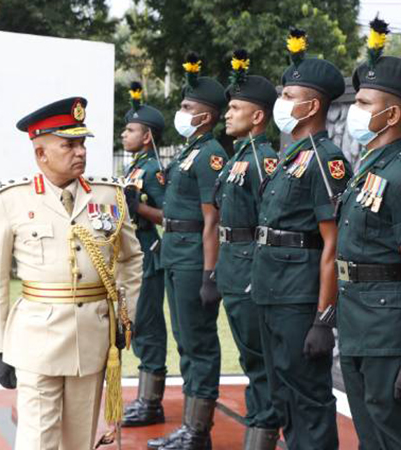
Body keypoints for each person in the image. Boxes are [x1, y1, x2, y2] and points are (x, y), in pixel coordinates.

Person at [0, 97, 143, 450]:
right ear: (41, 154)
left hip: (93, 336)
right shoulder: (11, 198)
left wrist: (125, 318)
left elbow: (131, 259)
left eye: (82, 143)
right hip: (36, 339)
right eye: (68, 145)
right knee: (37, 439)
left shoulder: (109, 194)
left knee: (79, 440)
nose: (80, 152)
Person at [336, 18, 401, 450]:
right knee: (371, 438)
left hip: (387, 333)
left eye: (364, 102)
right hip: (357, 324)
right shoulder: (366, 171)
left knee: (399, 440)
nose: (354, 110)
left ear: (392, 114)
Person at [251, 29, 352, 450]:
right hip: (272, 290)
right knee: (283, 393)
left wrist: (323, 318)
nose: (281, 103)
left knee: (308, 395)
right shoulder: (291, 155)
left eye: (289, 95)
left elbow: (333, 243)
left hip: (298, 296)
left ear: (311, 106)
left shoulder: (327, 160)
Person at [147, 53, 228, 450]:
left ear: (205, 116)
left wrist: (210, 275)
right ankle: (190, 427)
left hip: (195, 257)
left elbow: (212, 219)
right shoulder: (188, 151)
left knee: (199, 342)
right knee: (184, 340)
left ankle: (198, 431)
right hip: (175, 253)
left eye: (185, 107)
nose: (179, 113)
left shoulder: (211, 154)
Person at [212, 49, 280, 450]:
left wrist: (257, 275)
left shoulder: (263, 160)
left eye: (235, 108)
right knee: (249, 357)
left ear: (257, 116)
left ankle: (262, 435)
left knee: (259, 361)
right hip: (232, 268)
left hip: (249, 271)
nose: (227, 114)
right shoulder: (238, 157)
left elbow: (265, 225)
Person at [120, 82, 170, 427]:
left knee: (149, 324)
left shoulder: (153, 170)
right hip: (130, 254)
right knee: (135, 325)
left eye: (131, 130)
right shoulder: (135, 167)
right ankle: (144, 397)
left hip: (147, 254)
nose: (124, 134)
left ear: (147, 136)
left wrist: (138, 207)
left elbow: (169, 215)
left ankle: (151, 402)